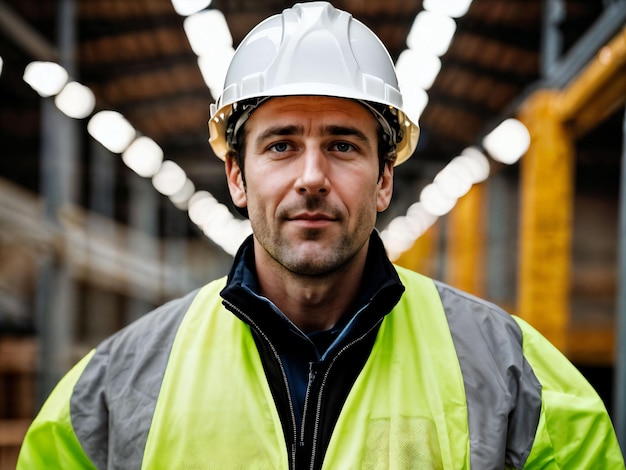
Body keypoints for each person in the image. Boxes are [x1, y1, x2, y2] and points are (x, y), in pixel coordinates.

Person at [18, 2, 624, 469]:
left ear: (385, 179)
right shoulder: (111, 393)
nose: (312, 177)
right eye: (281, 145)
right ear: (237, 175)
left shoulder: (512, 378)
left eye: (342, 145)